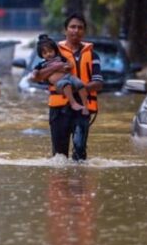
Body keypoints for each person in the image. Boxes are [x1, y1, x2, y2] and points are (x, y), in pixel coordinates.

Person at [32, 13, 103, 161]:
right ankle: (60, 183)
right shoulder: (52, 51)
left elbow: (98, 83)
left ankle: (79, 183)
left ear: (84, 31)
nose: (76, 31)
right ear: (65, 30)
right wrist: (56, 67)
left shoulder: (93, 55)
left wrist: (72, 87)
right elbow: (38, 77)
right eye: (72, 27)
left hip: (83, 109)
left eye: (80, 28)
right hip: (59, 110)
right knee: (59, 156)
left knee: (80, 152)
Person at [33, 34, 90, 115]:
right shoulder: (42, 64)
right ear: (41, 55)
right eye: (45, 53)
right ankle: (73, 103)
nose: (48, 54)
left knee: (80, 84)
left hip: (69, 76)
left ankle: (85, 106)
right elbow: (36, 71)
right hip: (59, 82)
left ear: (55, 50)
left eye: (50, 51)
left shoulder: (60, 58)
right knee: (66, 84)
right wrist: (34, 74)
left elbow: (69, 64)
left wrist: (67, 66)